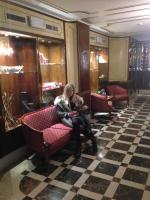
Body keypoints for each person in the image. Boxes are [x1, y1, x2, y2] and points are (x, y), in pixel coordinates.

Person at [54, 83, 97, 158]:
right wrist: (68, 114)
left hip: (77, 116)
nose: (71, 92)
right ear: (65, 91)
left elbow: (78, 109)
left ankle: (78, 147)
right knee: (77, 122)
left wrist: (83, 107)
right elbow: (58, 113)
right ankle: (92, 140)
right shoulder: (60, 100)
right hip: (69, 118)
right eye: (69, 91)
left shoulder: (75, 98)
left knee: (78, 120)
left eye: (72, 91)